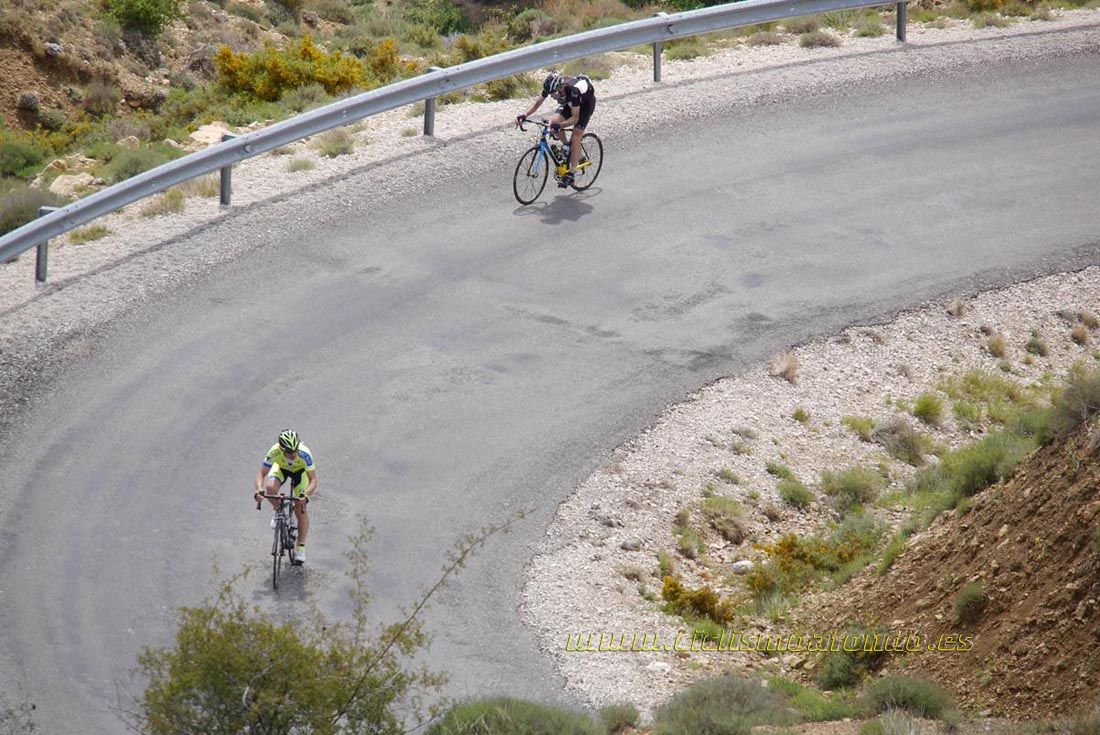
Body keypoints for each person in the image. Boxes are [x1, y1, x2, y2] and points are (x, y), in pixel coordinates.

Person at [516, 71, 596, 188]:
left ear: (561, 89)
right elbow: (538, 102)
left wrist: (560, 126)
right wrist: (524, 115)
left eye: (553, 94)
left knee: (575, 136)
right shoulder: (553, 87)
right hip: (570, 104)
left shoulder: (574, 91)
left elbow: (574, 118)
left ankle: (572, 172)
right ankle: (566, 146)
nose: (552, 97)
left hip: (585, 106)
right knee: (553, 122)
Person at [254, 429, 317, 564]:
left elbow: (313, 480)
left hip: (300, 474)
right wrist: (259, 490)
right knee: (270, 488)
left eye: (295, 450)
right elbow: (261, 474)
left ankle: (300, 547)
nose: (294, 454)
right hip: (281, 469)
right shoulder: (274, 452)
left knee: (301, 508)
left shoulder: (305, 453)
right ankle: (278, 511)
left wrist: (305, 495)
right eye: (289, 451)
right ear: (282, 449)